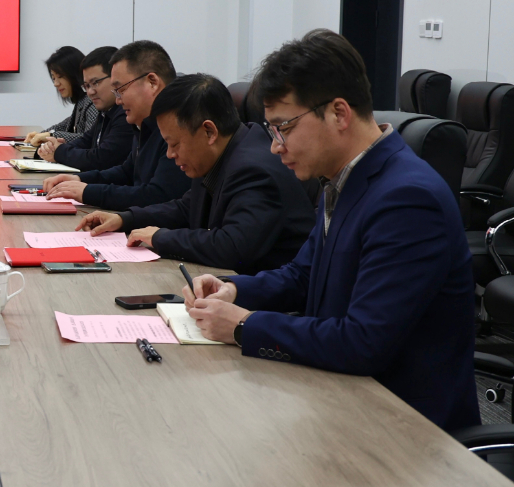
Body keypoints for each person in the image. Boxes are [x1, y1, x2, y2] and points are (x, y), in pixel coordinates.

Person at [183, 30, 478, 431]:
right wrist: (234, 289)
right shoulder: (342, 177)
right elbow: (304, 274)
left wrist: (243, 324)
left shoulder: (407, 199)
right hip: (336, 397)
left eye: (284, 127)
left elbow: (363, 342)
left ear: (339, 113)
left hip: (403, 429)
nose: (275, 146)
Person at [77, 73, 313, 274]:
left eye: (175, 144)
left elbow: (232, 247)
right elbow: (186, 208)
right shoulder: (221, 151)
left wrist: (160, 237)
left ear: (209, 131)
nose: (170, 154)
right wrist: (125, 219)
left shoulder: (254, 169)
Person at [44, 41, 191, 208]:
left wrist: (88, 192)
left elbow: (158, 196)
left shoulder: (180, 125)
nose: (118, 100)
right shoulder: (144, 124)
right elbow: (127, 172)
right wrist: (79, 179)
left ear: (152, 82)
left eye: (121, 89)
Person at [37, 45, 133, 172]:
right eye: (87, 86)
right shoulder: (105, 111)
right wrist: (54, 148)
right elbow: (85, 140)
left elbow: (101, 159)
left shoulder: (125, 113)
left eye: (95, 83)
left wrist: (59, 151)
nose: (90, 92)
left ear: (115, 79)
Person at [24, 46, 98, 147]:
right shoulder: (81, 102)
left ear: (74, 73)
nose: (56, 84)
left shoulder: (92, 102)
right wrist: (40, 134)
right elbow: (62, 126)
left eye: (60, 76)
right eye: (53, 78)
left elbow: (89, 139)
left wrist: (51, 135)